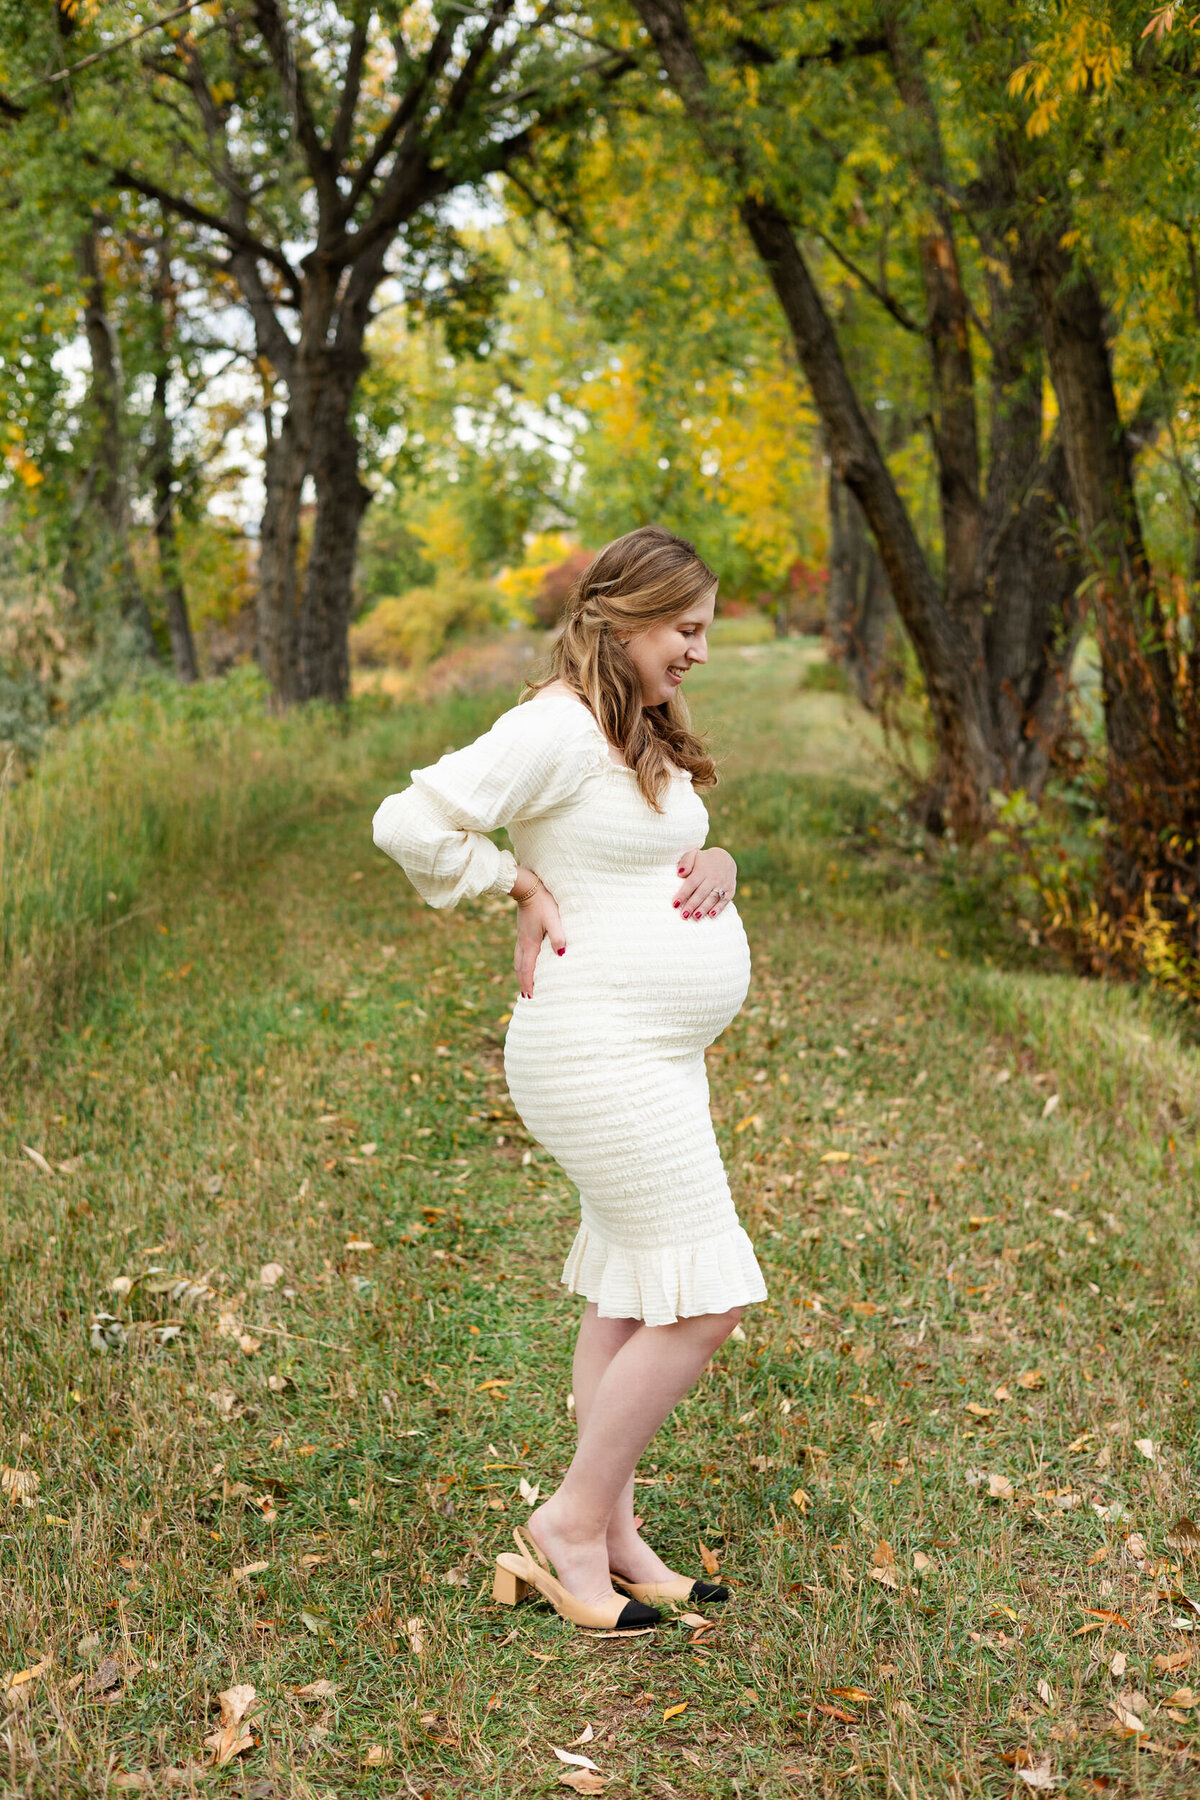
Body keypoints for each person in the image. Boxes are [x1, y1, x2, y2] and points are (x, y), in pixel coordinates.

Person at [372, 524, 767, 1632]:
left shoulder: (632, 722)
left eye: (704, 630)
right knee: (708, 1295)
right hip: (594, 1049)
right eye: (685, 628)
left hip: (656, 1048)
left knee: (635, 1288)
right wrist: (508, 883)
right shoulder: (551, 726)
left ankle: (619, 1533)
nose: (698, 651)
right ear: (629, 617)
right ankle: (570, 1524)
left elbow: (650, 846)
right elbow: (408, 819)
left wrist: (722, 863)